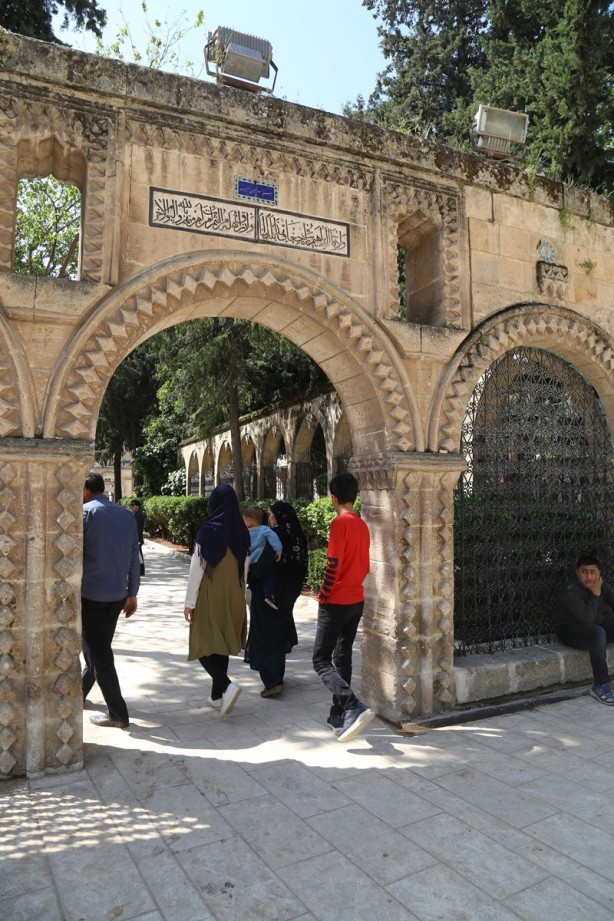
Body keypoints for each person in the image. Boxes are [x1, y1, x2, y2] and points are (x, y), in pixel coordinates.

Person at [312, 472, 374, 742]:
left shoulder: (340, 524)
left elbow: (333, 565)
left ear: (334, 498)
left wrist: (323, 593)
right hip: (356, 599)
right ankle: (339, 716)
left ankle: (352, 705)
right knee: (342, 657)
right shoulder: (361, 523)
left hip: (336, 600)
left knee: (320, 659)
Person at [184, 484, 250, 716]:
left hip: (211, 593)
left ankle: (226, 684)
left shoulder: (208, 530)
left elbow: (197, 568)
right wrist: (242, 598)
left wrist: (189, 602)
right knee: (219, 645)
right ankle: (216, 695)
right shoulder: (242, 531)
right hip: (235, 595)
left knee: (202, 643)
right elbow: (246, 567)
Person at [81, 472, 141, 729]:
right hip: (117, 595)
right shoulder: (126, 515)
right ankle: (78, 691)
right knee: (96, 647)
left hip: (90, 595)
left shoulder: (84, 514)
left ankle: (118, 712)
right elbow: (133, 556)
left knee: (99, 653)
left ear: (85, 489)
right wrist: (132, 593)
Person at [245, 501, 306, 697]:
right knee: (278, 635)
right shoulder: (297, 536)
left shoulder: (276, 535)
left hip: (267, 595)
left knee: (265, 636)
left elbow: (263, 564)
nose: (270, 518)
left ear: (278, 516)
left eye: (271, 514)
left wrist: (247, 575)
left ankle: (272, 681)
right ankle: (277, 676)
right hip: (287, 596)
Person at [556, 552, 614, 705]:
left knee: (598, 630)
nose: (588, 577)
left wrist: (601, 590)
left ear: (598, 573)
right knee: (597, 632)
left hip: (596, 627)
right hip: (571, 631)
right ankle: (600, 685)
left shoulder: (601, 584)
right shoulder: (570, 590)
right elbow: (586, 620)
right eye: (584, 572)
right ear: (577, 572)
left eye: (592, 572)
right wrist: (595, 595)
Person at [243, 506, 282, 608]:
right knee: (268, 575)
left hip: (248, 561)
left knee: (249, 576)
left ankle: (249, 589)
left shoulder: (244, 532)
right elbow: (274, 539)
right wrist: (278, 551)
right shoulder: (264, 529)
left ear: (248, 520)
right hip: (259, 559)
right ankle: (269, 595)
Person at [130, 498, 145, 576]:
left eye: (133, 505)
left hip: (137, 538)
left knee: (139, 555)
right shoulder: (135, 514)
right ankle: (139, 570)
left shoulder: (138, 515)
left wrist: (137, 538)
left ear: (137, 506)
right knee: (138, 554)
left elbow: (138, 528)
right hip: (136, 538)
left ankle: (141, 570)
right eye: (130, 505)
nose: (131, 507)